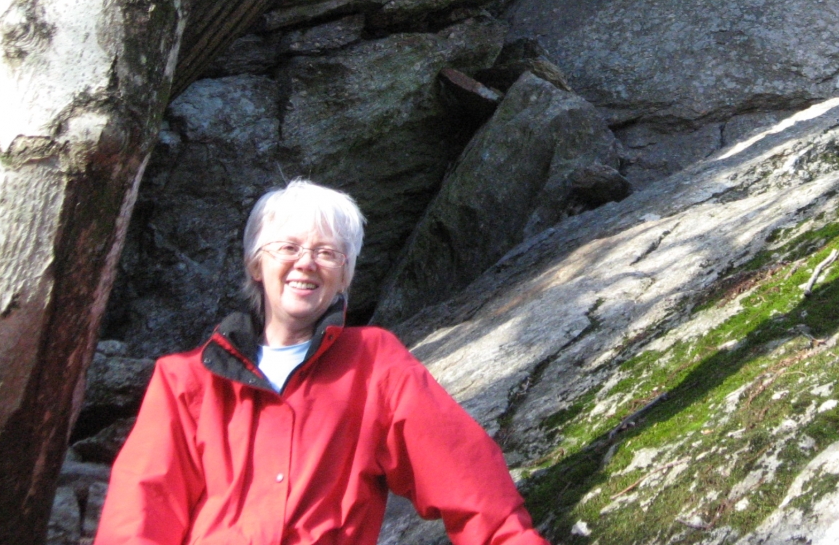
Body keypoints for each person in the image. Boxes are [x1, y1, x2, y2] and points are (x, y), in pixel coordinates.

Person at [94, 180, 548, 545]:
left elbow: (468, 481)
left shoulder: (375, 364)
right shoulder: (186, 380)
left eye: (327, 253)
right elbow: (139, 515)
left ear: (344, 276)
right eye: (288, 248)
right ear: (256, 265)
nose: (306, 263)